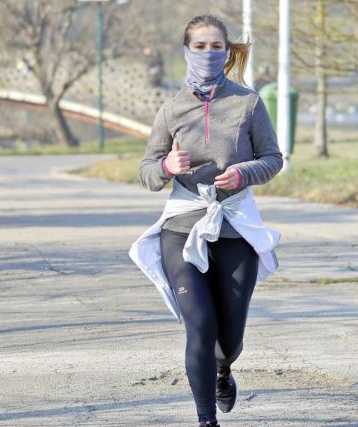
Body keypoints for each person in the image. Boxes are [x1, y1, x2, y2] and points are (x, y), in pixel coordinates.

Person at [129, 14, 282, 427]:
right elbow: (146, 172)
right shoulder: (172, 107)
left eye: (217, 46)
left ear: (226, 51)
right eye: (200, 46)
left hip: (235, 226)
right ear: (186, 50)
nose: (209, 54)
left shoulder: (248, 102)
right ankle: (205, 420)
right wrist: (166, 165)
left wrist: (244, 173)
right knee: (199, 324)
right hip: (182, 229)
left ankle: (223, 369)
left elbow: (273, 159)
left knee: (229, 339)